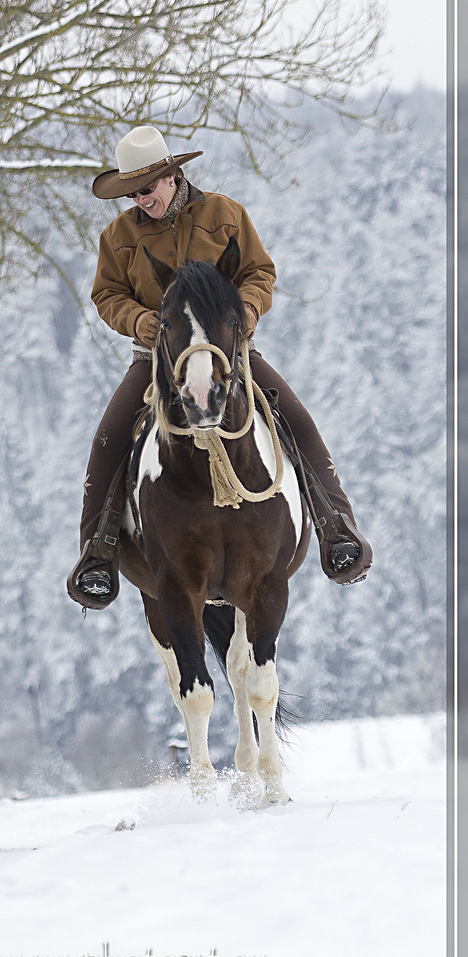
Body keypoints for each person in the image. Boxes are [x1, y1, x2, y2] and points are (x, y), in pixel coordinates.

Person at [67, 126, 372, 610]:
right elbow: (106, 295)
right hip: (158, 361)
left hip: (230, 355)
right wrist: (143, 322)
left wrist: (247, 313)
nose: (139, 199)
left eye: (146, 188)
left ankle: (338, 530)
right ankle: (97, 556)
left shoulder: (224, 215)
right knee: (108, 440)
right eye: (131, 192)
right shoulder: (118, 236)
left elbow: (259, 273)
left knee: (298, 422)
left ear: (171, 175)